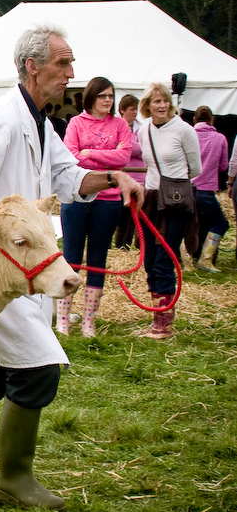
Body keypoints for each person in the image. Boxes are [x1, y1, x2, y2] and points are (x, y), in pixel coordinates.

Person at [0, 26, 142, 510]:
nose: (71, 75)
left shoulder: (41, 123)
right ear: (32, 66)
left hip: (27, 269)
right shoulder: (3, 118)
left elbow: (69, 178)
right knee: (38, 368)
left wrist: (114, 176)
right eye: (62, 65)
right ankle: (15, 477)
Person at [55, 78, 131, 337]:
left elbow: (124, 157)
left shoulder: (120, 124)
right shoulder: (76, 123)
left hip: (108, 200)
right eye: (102, 96)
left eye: (110, 96)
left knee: (98, 259)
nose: (107, 100)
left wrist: (91, 154)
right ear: (91, 98)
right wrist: (103, 156)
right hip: (77, 197)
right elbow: (71, 156)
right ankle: (63, 320)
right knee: (71, 258)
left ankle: (89, 321)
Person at [137, 83, 201, 339]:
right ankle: (157, 315)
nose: (162, 105)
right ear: (148, 105)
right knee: (150, 260)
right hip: (151, 197)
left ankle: (164, 323)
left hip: (175, 201)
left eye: (165, 100)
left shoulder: (185, 130)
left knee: (165, 258)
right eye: (156, 101)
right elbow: (148, 164)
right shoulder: (144, 131)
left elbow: (195, 168)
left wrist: (173, 184)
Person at [191, 106, 229, 272]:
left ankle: (188, 259)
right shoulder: (220, 138)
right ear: (212, 120)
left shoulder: (189, 135)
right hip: (206, 189)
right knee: (220, 223)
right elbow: (223, 166)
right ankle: (205, 260)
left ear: (194, 119)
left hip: (188, 188)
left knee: (192, 224)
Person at [113, 94, 146, 250]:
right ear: (122, 110)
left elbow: (145, 149)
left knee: (135, 217)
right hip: (123, 177)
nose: (135, 112)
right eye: (132, 109)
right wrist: (135, 146)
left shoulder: (142, 127)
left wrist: (130, 146)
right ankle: (119, 247)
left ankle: (126, 247)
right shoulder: (117, 126)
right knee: (122, 216)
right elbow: (129, 148)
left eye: (136, 109)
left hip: (140, 177)